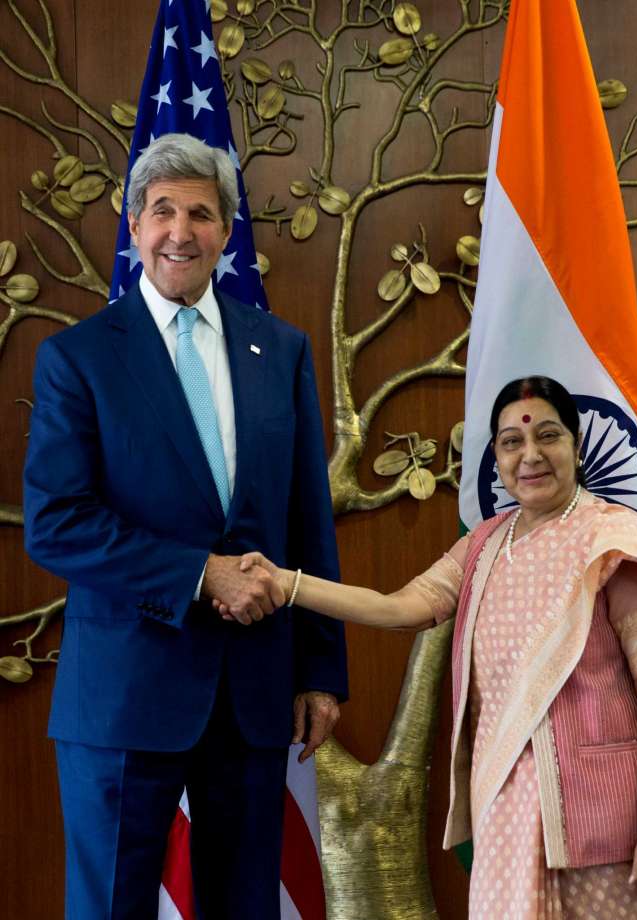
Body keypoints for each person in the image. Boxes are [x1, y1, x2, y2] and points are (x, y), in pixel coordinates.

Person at [229, 376, 637, 920]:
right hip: (507, 814)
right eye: (512, 442)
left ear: (576, 445)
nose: (531, 456)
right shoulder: (484, 545)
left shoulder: (612, 542)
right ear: (495, 455)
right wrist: (289, 585)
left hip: (604, 819)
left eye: (549, 436)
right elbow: (397, 608)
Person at [23, 133, 347, 920]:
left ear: (225, 232)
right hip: (126, 691)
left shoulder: (284, 351)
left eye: (201, 213)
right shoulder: (77, 358)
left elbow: (308, 518)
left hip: (254, 689)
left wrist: (321, 670)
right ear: (133, 226)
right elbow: (57, 524)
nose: (181, 230)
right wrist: (202, 574)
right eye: (162, 210)